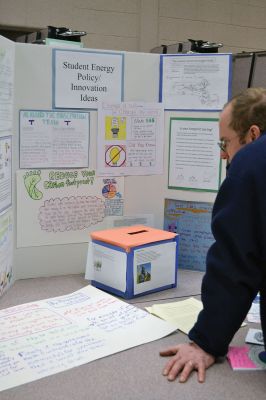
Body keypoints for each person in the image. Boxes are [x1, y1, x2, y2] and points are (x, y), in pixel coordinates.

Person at [160, 87, 266, 383]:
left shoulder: (251, 164)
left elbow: (235, 263)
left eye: (225, 142)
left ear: (253, 134)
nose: (223, 153)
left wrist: (206, 341)